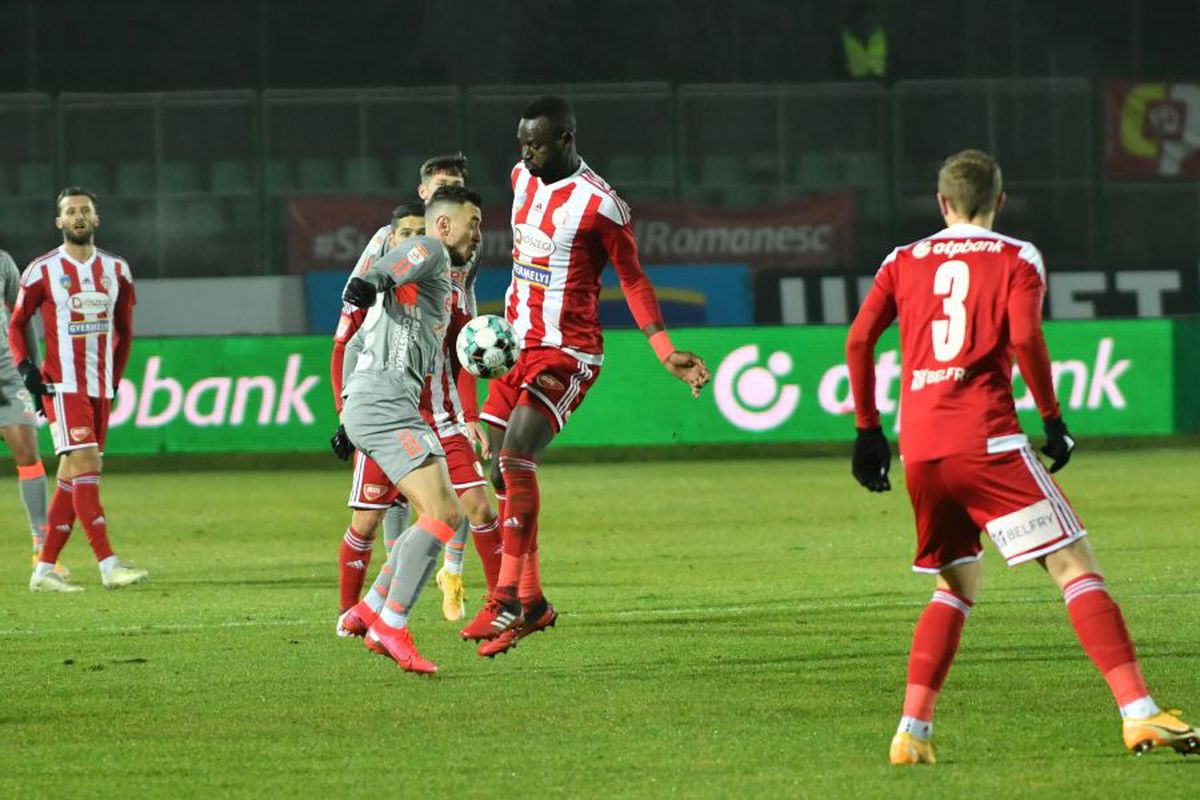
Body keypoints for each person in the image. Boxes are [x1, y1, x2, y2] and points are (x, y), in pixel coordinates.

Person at [844, 149, 1198, 764]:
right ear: (999, 202)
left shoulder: (901, 260)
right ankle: (1140, 713)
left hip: (922, 449)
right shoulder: (1015, 256)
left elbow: (858, 338)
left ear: (941, 202)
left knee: (955, 583)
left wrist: (868, 431)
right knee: (1075, 568)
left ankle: (911, 733)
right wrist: (1053, 419)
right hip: (986, 440)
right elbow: (1026, 337)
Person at [460, 96, 711, 657]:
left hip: (567, 352)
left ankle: (504, 599)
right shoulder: (521, 178)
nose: (525, 152)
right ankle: (534, 602)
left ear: (566, 139)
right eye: (521, 142)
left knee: (515, 458)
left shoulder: (602, 206)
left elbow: (635, 280)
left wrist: (664, 350)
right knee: (499, 476)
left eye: (536, 143)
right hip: (514, 348)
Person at [334, 184, 482, 674]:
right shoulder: (432, 249)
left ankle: (372, 607)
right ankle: (390, 625)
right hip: (384, 403)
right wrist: (371, 280)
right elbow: (400, 259)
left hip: (390, 402)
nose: (479, 233)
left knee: (444, 513)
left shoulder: (441, 273)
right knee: (443, 513)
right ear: (444, 224)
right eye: (473, 222)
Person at [10, 187, 147, 592]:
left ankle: (44, 568)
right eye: (70, 212)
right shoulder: (42, 270)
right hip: (62, 385)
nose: (78, 217)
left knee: (72, 477)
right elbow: (16, 324)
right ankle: (108, 565)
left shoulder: (117, 270)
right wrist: (24, 366)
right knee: (88, 466)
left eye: (85, 210)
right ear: (59, 222)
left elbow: (124, 332)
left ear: (96, 218)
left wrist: (114, 379)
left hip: (99, 388)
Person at [0, 248, 63, 579]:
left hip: (7, 375)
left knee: (27, 454)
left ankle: (42, 549)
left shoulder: (3, 262)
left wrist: (33, 372)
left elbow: (20, 318)